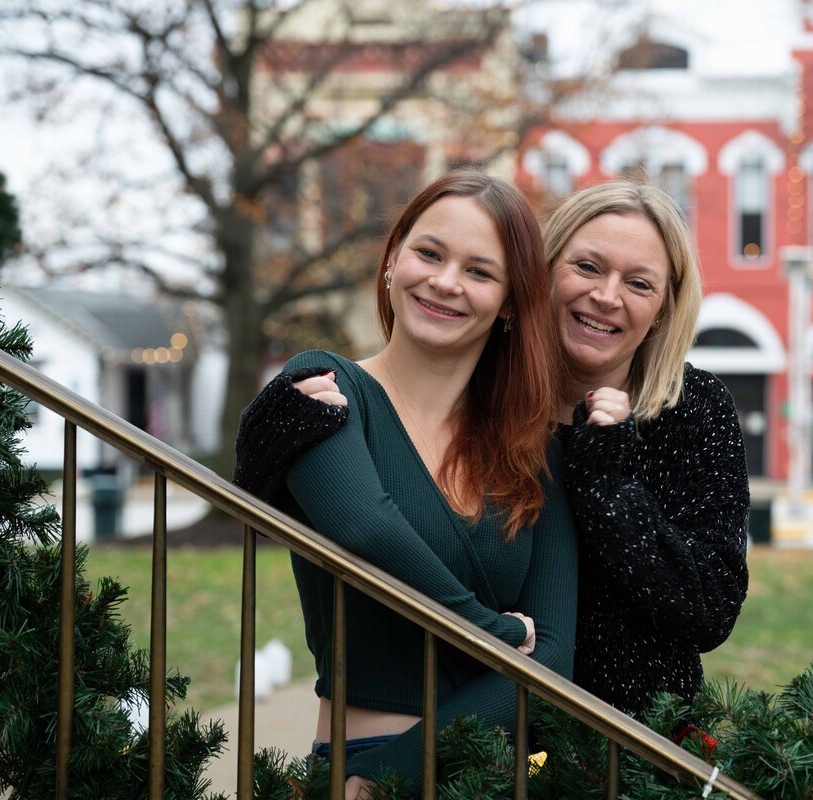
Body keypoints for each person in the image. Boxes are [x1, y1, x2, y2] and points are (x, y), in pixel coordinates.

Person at [239, 180, 748, 719]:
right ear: (538, 278)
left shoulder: (691, 409)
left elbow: (709, 610)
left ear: (664, 309)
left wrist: (607, 489)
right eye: (588, 267)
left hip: (635, 741)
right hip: (494, 743)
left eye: (639, 284)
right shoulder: (480, 402)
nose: (606, 295)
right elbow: (332, 512)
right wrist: (262, 440)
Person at [235, 170, 578, 798]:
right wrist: (495, 632)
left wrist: (393, 774)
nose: (445, 282)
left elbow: (553, 660)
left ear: (508, 302)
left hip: (485, 778)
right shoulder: (325, 388)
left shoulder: (532, 449)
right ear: (393, 260)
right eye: (429, 253)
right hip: (354, 765)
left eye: (480, 271)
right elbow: (365, 527)